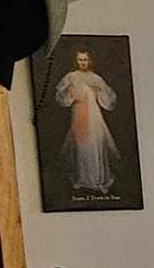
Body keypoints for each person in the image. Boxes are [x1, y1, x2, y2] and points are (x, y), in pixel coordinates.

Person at [51, 46, 121, 198]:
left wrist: (100, 90)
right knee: (81, 147)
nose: (83, 62)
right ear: (76, 61)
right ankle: (82, 179)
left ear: (90, 61)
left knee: (96, 145)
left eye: (85, 59)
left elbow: (110, 99)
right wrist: (70, 91)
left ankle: (98, 180)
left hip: (94, 117)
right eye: (80, 59)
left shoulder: (96, 78)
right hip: (78, 116)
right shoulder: (71, 77)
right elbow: (61, 97)